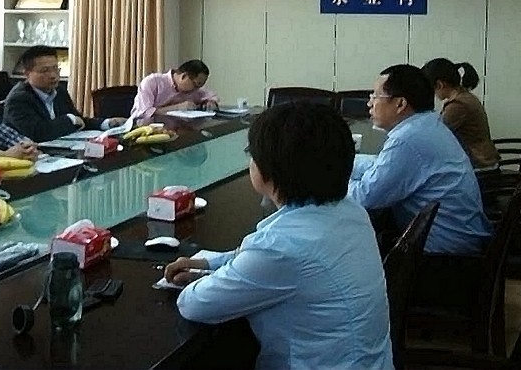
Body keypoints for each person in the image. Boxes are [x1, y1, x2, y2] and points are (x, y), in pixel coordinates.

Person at [165, 103, 392, 370]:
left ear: (269, 169)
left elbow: (194, 304)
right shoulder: (350, 211)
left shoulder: (282, 247)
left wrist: (209, 279)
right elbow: (268, 261)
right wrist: (210, 264)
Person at [348, 64, 492, 254]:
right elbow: (380, 165)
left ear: (400, 104)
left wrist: (328, 178)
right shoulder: (426, 124)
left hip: (444, 255)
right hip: (461, 238)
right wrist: (343, 162)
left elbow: (365, 197)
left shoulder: (407, 139)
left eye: (375, 96)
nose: (369, 103)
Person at [2, 46, 127, 142]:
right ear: (27, 74)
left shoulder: (59, 91)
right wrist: (70, 120)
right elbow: (38, 134)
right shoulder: (18, 99)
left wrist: (107, 123)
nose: (53, 75)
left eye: (55, 69)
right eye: (45, 71)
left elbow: (79, 120)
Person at [422, 58, 500, 169]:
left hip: (478, 164)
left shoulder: (458, 105)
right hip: (484, 159)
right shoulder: (465, 97)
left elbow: (436, 133)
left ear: (439, 85)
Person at [130, 59, 219, 119]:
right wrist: (177, 107)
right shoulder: (152, 82)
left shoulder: (195, 89)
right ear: (184, 76)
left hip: (176, 130)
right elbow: (144, 113)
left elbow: (210, 96)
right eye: (196, 85)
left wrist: (211, 102)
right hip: (144, 130)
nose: (197, 89)